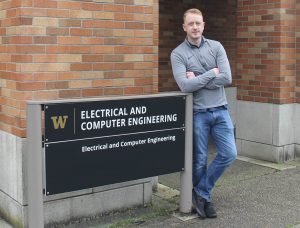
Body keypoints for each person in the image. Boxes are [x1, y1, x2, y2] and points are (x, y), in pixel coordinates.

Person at [170, 8, 237, 219]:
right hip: (198, 113)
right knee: (199, 160)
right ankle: (204, 202)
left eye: (198, 23)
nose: (195, 27)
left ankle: (201, 192)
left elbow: (226, 78)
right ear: (184, 27)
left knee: (229, 154)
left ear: (203, 24)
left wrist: (198, 78)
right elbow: (185, 85)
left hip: (221, 110)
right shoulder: (178, 53)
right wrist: (211, 73)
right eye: (191, 24)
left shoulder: (216, 47)